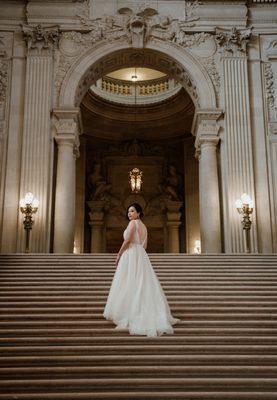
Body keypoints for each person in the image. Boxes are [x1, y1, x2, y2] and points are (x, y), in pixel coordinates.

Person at [103, 203, 180, 337]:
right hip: (141, 254)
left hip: (132, 253)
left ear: (138, 213)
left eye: (132, 211)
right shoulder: (143, 226)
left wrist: (119, 254)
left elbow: (127, 241)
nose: (129, 214)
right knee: (141, 283)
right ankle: (140, 310)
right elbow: (144, 245)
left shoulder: (133, 224)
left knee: (130, 282)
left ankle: (131, 312)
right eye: (128, 211)